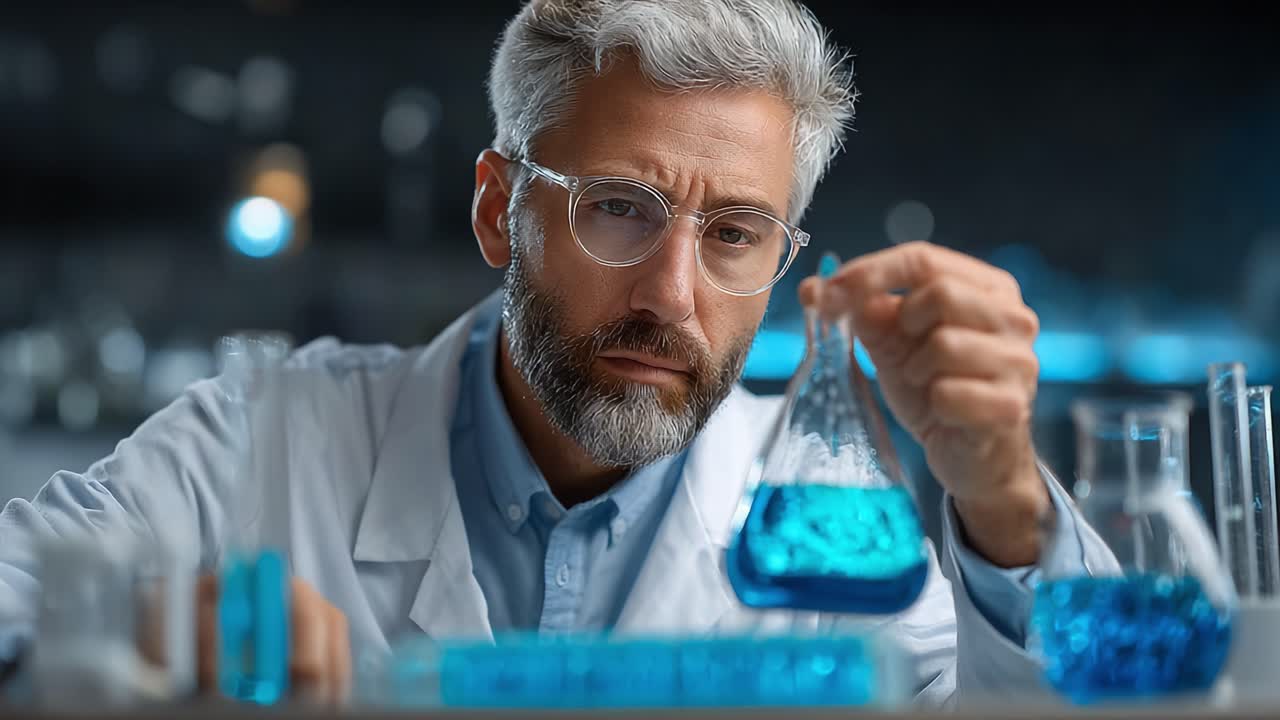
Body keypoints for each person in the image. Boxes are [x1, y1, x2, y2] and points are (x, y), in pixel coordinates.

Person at [0, 0, 1112, 708]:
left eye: (732, 234)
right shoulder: (257, 440)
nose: (672, 296)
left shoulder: (817, 526)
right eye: (619, 210)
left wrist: (1003, 505)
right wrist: (114, 643)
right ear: (498, 211)